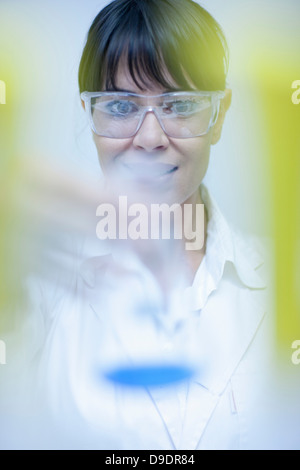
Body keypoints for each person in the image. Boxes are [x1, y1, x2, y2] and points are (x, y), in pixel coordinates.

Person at [12, 0, 273, 450]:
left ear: (219, 115)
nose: (150, 138)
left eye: (180, 104)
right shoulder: (30, 282)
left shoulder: (282, 282)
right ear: (89, 115)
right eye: (118, 106)